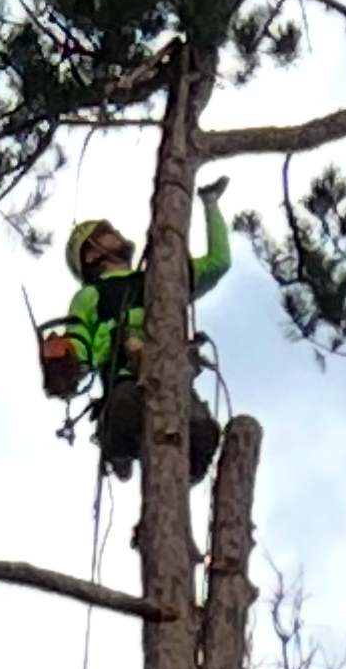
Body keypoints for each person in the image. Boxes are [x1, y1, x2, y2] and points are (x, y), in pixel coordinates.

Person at [46, 177, 230, 483]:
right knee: (125, 406)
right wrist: (64, 359)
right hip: (125, 374)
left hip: (172, 375)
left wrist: (210, 206)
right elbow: (81, 342)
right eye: (104, 235)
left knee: (203, 430)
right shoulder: (91, 295)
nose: (115, 234)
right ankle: (119, 448)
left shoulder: (164, 275)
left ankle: (179, 475)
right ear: (91, 255)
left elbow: (218, 262)